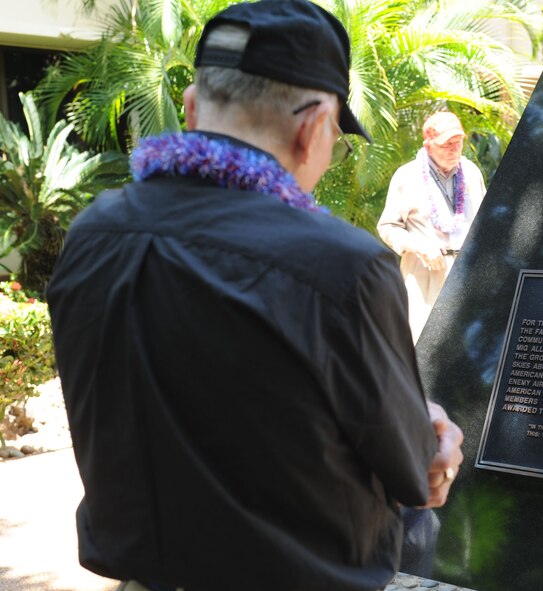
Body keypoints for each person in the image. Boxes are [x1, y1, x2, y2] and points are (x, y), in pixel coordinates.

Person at [46, 2, 463, 590]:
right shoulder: (344, 267)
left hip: (143, 571)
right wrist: (433, 429)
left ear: (191, 109)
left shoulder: (93, 233)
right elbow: (412, 473)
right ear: (315, 125)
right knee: (419, 529)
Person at [377, 112, 486, 343]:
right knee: (425, 349)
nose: (454, 149)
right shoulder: (407, 176)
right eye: (447, 144)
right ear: (428, 145)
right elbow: (387, 227)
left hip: (467, 274)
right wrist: (419, 245)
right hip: (425, 275)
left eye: (458, 142)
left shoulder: (472, 173)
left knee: (469, 348)